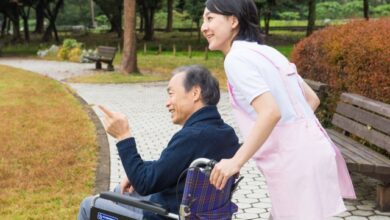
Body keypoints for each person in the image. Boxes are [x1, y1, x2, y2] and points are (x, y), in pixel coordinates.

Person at [200, 0, 356, 219]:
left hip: (295, 165)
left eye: (210, 18)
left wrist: (236, 161)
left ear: (233, 21)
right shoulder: (268, 52)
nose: (203, 27)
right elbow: (311, 99)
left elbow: (270, 112)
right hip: (315, 151)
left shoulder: (236, 59)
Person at [77, 65, 240, 220]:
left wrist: (123, 136)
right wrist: (137, 173)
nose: (167, 103)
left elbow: (144, 184)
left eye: (171, 94)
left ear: (195, 93)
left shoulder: (191, 136)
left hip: (165, 215)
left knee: (89, 205)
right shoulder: (228, 135)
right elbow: (171, 167)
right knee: (120, 190)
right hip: (194, 212)